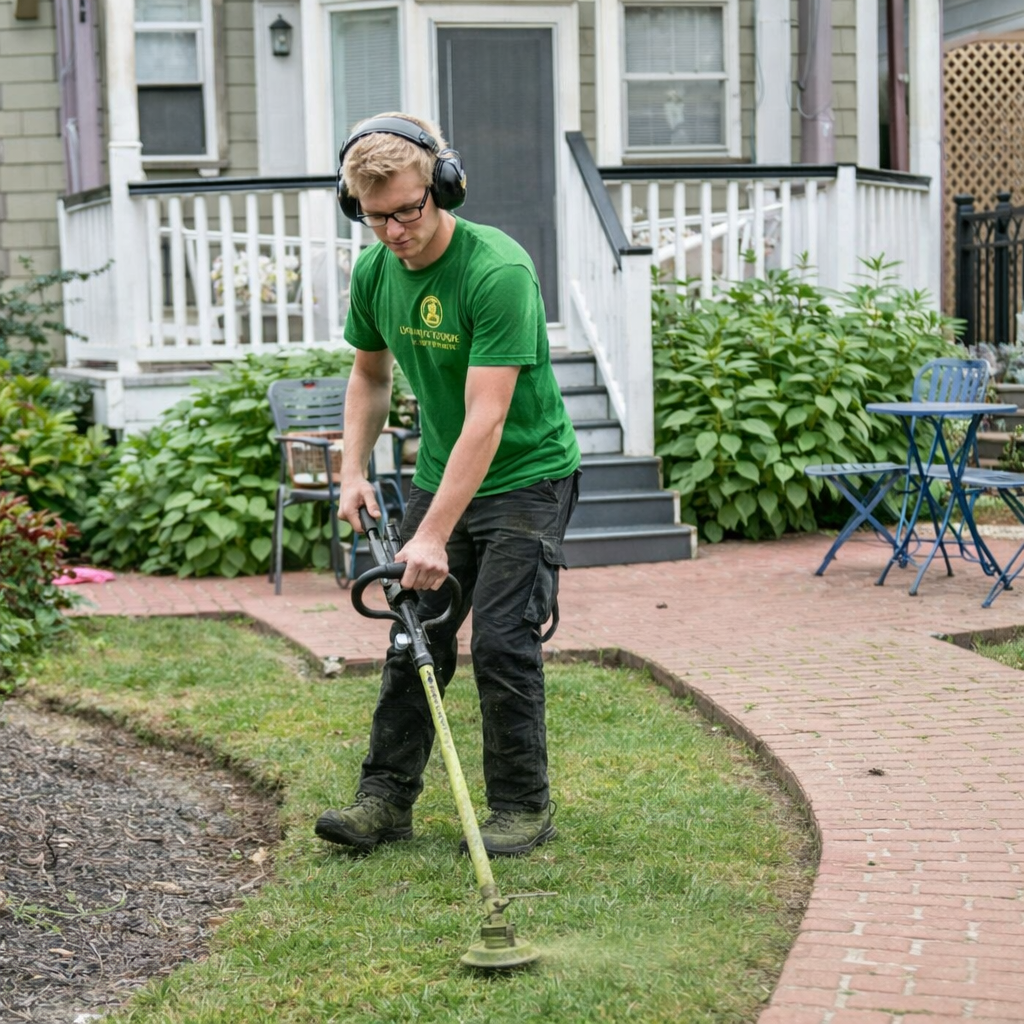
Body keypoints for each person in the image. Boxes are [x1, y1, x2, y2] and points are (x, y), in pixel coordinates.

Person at [314, 112, 581, 857]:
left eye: (409, 210)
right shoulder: (375, 272)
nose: (395, 231)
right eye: (375, 217)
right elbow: (370, 377)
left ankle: (522, 808)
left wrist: (431, 533)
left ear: (445, 186)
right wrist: (353, 470)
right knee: (413, 634)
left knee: (502, 639)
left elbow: (486, 419)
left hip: (527, 474)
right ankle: (383, 802)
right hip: (442, 474)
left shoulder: (497, 271)